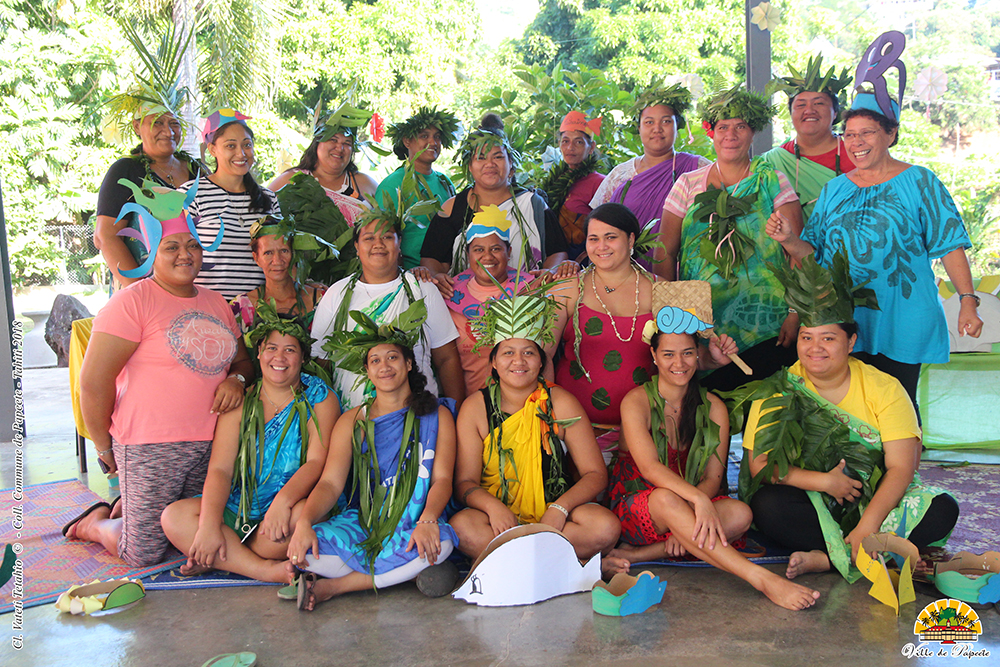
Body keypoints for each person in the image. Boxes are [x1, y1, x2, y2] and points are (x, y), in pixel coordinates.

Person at [735, 250, 959, 582]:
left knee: (943, 508)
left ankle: (829, 556)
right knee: (769, 506)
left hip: (875, 499)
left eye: (828, 338)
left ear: (851, 341)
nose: (815, 348)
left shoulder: (885, 387)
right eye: (807, 338)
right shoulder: (779, 389)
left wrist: (869, 523)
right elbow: (760, 465)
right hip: (811, 498)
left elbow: (901, 466)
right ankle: (872, 550)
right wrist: (826, 482)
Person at [67, 187, 253, 568]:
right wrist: (104, 448)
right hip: (150, 445)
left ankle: (130, 507)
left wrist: (237, 381)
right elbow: (93, 381)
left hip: (213, 444)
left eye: (192, 245)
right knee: (143, 554)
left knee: (193, 534)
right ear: (152, 252)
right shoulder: (132, 301)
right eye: (172, 247)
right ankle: (96, 523)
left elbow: (243, 362)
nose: (185, 254)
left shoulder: (216, 302)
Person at [766, 88, 983, 412]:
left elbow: (950, 245)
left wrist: (968, 301)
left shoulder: (920, 180)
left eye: (867, 133)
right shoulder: (835, 189)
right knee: (850, 410)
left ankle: (901, 464)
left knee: (898, 406)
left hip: (905, 314)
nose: (856, 142)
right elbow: (815, 258)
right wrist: (789, 240)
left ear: (891, 133)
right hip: (845, 317)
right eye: (850, 134)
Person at [606, 302, 819, 611]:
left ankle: (643, 553)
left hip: (690, 505)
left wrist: (696, 503)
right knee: (667, 499)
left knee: (741, 514)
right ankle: (762, 579)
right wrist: (698, 502)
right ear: (654, 357)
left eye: (688, 353)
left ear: (698, 355)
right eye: (668, 354)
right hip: (640, 503)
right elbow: (650, 469)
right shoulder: (636, 401)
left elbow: (713, 478)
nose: (679, 363)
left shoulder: (714, 405)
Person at [449, 280, 626, 577]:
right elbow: (465, 483)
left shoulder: (560, 402)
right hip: (498, 519)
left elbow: (595, 475)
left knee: (605, 526)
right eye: (507, 353)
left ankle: (511, 563)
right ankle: (572, 567)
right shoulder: (475, 408)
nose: (518, 361)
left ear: (541, 361)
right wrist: (493, 508)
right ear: (493, 362)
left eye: (529, 353)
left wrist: (560, 508)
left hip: (553, 514)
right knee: (462, 527)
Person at [161, 304, 340, 582]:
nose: (279, 357)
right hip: (238, 506)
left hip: (286, 507)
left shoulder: (320, 397)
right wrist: (209, 526)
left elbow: (317, 462)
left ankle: (227, 555)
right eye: (271, 348)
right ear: (258, 353)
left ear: (303, 357)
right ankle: (262, 568)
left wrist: (282, 502)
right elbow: (221, 469)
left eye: (290, 350)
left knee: (307, 515)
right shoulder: (241, 401)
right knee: (173, 517)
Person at [287, 320, 458, 610]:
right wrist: (304, 522)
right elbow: (330, 483)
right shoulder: (353, 421)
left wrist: (428, 519)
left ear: (407, 365)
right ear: (367, 371)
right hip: (365, 521)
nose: (384, 366)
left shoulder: (436, 415)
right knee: (310, 550)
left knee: (442, 543)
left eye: (392, 357)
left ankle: (335, 587)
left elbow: (442, 479)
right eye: (375, 361)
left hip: (415, 520)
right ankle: (399, 573)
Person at [552, 203, 735, 462]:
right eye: (593, 239)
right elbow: (542, 356)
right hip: (574, 429)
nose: (601, 246)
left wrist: (713, 358)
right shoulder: (569, 289)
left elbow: (684, 358)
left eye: (611, 237)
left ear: (631, 240)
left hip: (651, 429)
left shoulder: (662, 290)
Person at [660, 84, 803, 392]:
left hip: (768, 321)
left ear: (753, 132)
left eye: (741, 126)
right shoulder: (688, 184)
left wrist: (794, 313)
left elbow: (797, 252)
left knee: (765, 410)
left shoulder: (772, 181)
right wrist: (675, 316)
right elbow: (665, 253)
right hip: (702, 323)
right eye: (723, 127)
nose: (731, 134)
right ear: (711, 132)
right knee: (710, 415)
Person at [310, 193, 465, 410]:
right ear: (356, 246)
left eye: (387, 237)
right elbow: (321, 362)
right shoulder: (337, 293)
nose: (378, 244)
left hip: (419, 419)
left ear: (399, 243)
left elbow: (446, 360)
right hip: (354, 422)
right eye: (369, 238)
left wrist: (455, 412)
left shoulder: (423, 289)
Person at [420, 113, 572, 276]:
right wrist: (438, 277)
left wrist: (546, 275)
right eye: (481, 158)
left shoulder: (533, 204)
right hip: (464, 298)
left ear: (510, 163)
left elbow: (557, 252)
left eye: (498, 157)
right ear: (470, 166)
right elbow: (432, 259)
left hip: (527, 296)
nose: (490, 164)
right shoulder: (452, 208)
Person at [94, 73, 205, 290]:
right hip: (141, 289)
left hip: (197, 287)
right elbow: (105, 236)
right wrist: (139, 290)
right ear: (137, 127)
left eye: (174, 123)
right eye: (157, 123)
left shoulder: (196, 169)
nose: (168, 131)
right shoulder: (124, 170)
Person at [589, 80, 710, 273]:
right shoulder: (620, 175)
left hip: (686, 272)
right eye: (649, 122)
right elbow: (598, 226)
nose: (657, 128)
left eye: (666, 121)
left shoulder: (698, 168)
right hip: (628, 277)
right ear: (639, 128)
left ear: (677, 125)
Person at [179, 109, 280, 300]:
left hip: (258, 311)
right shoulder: (190, 195)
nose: (241, 153)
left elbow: (279, 257)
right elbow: (176, 255)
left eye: (247, 145)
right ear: (212, 149)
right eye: (230, 146)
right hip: (205, 309)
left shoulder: (269, 198)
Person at [761, 55, 856, 222]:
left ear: (835, 113)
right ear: (791, 114)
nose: (809, 110)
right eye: (800, 105)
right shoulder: (772, 161)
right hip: (790, 246)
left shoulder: (856, 152)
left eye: (819, 103)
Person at [268, 101, 381, 225]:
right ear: (317, 142)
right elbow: (262, 217)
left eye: (347, 143)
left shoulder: (366, 184)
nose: (340, 148)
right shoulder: (292, 179)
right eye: (333, 140)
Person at [377, 106, 460, 269]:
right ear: (407, 141)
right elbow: (382, 238)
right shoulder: (393, 185)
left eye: (437, 137)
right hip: (412, 275)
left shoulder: (445, 183)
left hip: (449, 275)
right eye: (424, 136)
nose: (433, 142)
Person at [230, 217, 330, 334]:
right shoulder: (241, 307)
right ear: (256, 258)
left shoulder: (321, 300)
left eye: (284, 251)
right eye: (268, 253)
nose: (277, 261)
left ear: (294, 253)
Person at [539, 111, 605, 260]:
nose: (570, 148)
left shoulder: (600, 183)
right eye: (565, 141)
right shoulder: (555, 180)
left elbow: (606, 229)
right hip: (551, 261)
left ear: (591, 147)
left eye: (579, 142)